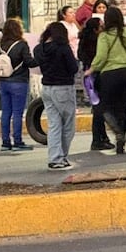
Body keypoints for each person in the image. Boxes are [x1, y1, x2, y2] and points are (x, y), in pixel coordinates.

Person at [84, 6, 126, 154]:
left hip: (110, 76)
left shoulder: (104, 36)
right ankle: (121, 139)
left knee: (104, 107)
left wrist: (90, 70)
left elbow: (101, 57)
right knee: (123, 107)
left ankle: (118, 131)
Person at [34, 22, 79, 169]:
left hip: (46, 88)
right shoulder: (63, 48)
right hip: (63, 88)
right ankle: (61, 157)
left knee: (54, 125)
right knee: (68, 126)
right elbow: (73, 68)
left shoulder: (39, 49)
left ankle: (54, 158)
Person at [0, 18, 37, 152]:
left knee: (6, 112)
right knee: (17, 113)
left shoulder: (0, 44)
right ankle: (17, 141)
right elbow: (29, 62)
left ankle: (5, 142)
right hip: (19, 81)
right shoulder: (22, 44)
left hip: (3, 81)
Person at [79, 17, 113, 151]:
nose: (103, 27)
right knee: (99, 109)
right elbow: (100, 58)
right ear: (95, 29)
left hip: (90, 77)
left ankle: (102, 137)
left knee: (98, 108)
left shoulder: (84, 41)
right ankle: (98, 139)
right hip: (95, 76)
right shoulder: (97, 42)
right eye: (101, 26)